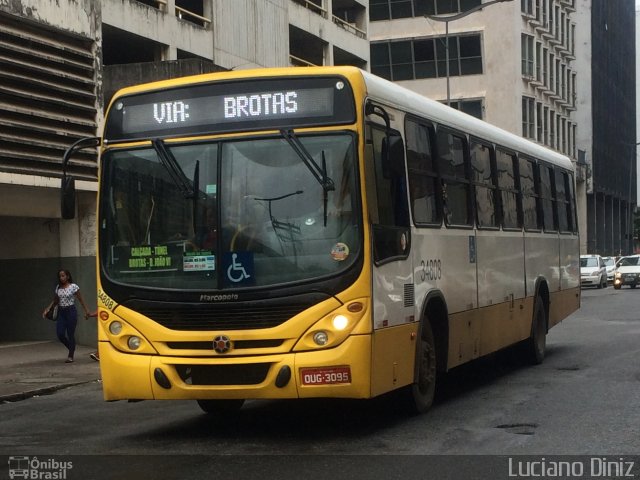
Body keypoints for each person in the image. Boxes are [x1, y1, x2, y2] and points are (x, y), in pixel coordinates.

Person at [42, 269, 89, 363]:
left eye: (63, 276)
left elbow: (80, 299)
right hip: (61, 312)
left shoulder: (73, 287)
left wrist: (86, 311)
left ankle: (70, 355)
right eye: (60, 276)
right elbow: (55, 300)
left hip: (71, 311)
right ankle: (71, 347)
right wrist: (48, 308)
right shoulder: (58, 287)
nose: (62, 278)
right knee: (60, 333)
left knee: (70, 333)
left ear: (67, 276)